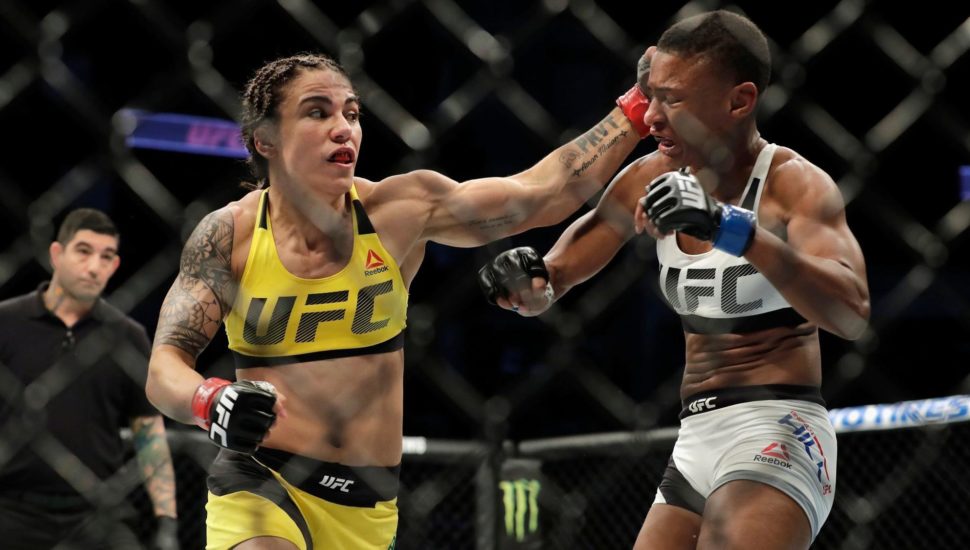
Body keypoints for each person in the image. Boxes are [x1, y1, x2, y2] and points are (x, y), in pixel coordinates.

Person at [145, 51, 649, 549]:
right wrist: (209, 399)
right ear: (266, 139)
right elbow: (164, 366)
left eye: (352, 113)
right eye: (317, 112)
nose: (343, 129)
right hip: (261, 481)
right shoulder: (229, 235)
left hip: (368, 507)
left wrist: (636, 108)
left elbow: (542, 195)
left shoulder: (399, 211)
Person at [478, 10, 870, 550]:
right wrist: (528, 285)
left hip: (779, 424)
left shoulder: (793, 185)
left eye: (674, 100)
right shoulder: (651, 175)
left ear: (739, 101)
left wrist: (730, 228)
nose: (653, 118)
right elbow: (558, 275)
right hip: (695, 436)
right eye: (652, 96)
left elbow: (851, 311)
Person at [0, 208, 179, 550]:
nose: (94, 266)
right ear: (56, 254)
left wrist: (167, 521)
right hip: (11, 508)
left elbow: (149, 433)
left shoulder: (128, 336)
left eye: (106, 256)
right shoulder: (6, 323)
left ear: (115, 265)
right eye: (83, 251)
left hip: (96, 515)